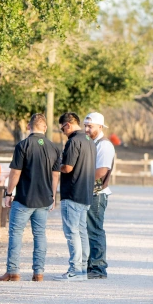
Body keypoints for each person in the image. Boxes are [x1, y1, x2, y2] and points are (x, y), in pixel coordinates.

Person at [0, 114, 61, 282]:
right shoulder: (54, 148)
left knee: (16, 233)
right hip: (44, 199)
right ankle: (38, 273)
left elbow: (15, 172)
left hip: (24, 198)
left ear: (28, 127)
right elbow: (55, 176)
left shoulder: (22, 145)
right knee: (39, 235)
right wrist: (53, 196)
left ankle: (13, 272)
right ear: (45, 128)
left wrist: (8, 193)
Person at [55, 112, 97, 282]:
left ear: (68, 125)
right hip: (86, 193)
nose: (63, 131)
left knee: (72, 233)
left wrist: (54, 166)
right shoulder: (90, 141)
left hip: (72, 192)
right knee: (81, 232)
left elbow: (68, 167)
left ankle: (74, 270)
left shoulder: (73, 141)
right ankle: (82, 270)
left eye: (62, 128)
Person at [83, 112, 115, 279]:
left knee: (95, 230)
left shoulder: (104, 145)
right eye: (85, 126)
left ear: (100, 127)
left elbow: (101, 171)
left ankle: (98, 268)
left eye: (90, 126)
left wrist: (80, 180)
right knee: (88, 230)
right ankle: (90, 266)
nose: (86, 129)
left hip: (97, 193)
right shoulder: (92, 143)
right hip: (90, 192)